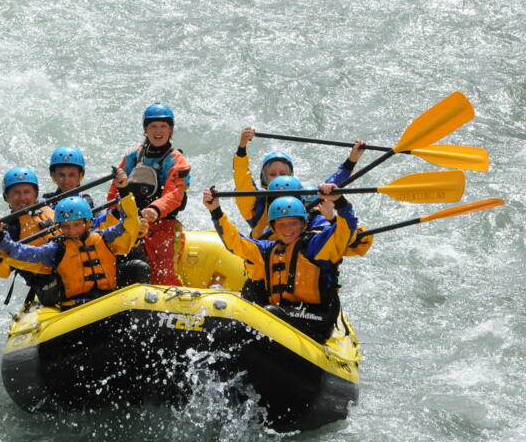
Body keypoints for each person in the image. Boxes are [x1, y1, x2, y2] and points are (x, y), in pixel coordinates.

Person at [203, 185, 358, 343]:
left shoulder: (315, 246)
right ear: (273, 228)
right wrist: (216, 211)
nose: (288, 229)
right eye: (281, 224)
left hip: (317, 318)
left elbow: (346, 229)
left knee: (271, 312)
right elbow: (235, 242)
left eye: (293, 223)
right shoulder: (267, 249)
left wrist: (339, 201)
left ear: (303, 224)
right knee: (250, 292)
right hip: (282, 312)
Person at [0, 193, 140, 310]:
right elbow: (23, 253)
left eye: (76, 224)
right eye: (65, 226)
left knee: (138, 267)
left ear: (88, 222)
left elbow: (129, 225)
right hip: (74, 307)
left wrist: (126, 198)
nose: (71, 231)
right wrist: (0, 235)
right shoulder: (55, 249)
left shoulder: (105, 238)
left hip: (108, 297)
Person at [107, 103, 191, 286]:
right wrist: (116, 214)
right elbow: (115, 191)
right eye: (153, 126)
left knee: (164, 276)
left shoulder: (177, 160)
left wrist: (155, 209)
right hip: (132, 225)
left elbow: (175, 193)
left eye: (163, 126)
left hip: (164, 227)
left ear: (170, 130)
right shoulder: (133, 157)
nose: (158, 131)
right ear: (146, 129)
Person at [233, 127, 365, 239]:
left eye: (283, 174)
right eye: (272, 174)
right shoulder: (257, 204)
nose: (278, 178)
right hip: (265, 260)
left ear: (290, 177)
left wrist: (351, 160)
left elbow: (332, 185)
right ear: (265, 179)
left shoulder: (306, 198)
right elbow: (242, 179)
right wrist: (242, 147)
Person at [0, 167, 60, 306]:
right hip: (48, 284)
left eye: (26, 192)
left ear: (35, 194)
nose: (22, 198)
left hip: (72, 264)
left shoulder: (51, 206)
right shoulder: (9, 229)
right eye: (16, 193)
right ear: (7, 197)